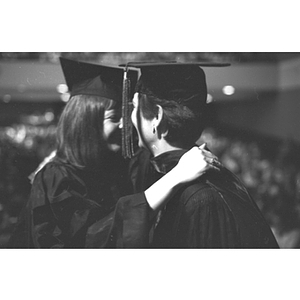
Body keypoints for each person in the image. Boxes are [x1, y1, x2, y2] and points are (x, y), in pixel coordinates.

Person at [8, 58, 217, 248]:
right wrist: (175, 177)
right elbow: (92, 240)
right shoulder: (55, 178)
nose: (124, 125)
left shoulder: (121, 165)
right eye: (114, 117)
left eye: (126, 115)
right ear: (85, 123)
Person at [108, 61, 279, 248]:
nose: (129, 120)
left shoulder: (201, 199)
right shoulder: (174, 175)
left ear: (157, 117)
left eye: (134, 107)